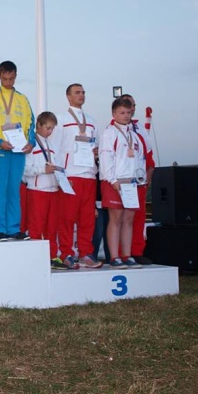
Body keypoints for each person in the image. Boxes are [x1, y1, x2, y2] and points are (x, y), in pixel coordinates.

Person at [51, 83, 103, 269]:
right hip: (70, 174)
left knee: (87, 218)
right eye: (77, 92)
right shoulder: (61, 119)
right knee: (67, 217)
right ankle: (66, 253)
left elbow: (96, 146)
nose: (81, 95)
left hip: (89, 174)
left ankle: (85, 253)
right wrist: (60, 175)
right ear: (68, 96)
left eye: (83, 92)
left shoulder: (92, 121)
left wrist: (96, 152)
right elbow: (55, 147)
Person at [0, 61, 35, 241]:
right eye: (5, 78)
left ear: (15, 76)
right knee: (0, 190)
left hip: (18, 151)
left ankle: (13, 228)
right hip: (1, 150)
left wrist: (31, 142)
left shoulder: (22, 99)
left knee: (14, 190)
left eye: (11, 78)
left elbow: (30, 123)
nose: (8, 82)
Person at [99, 97, 146, 269]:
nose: (126, 116)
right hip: (114, 182)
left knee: (128, 220)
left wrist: (140, 179)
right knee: (116, 219)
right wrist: (112, 180)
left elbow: (140, 160)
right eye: (121, 113)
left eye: (128, 112)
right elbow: (106, 158)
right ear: (113, 114)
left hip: (131, 183)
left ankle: (127, 255)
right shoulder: (109, 133)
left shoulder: (134, 135)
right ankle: (114, 257)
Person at [22, 112, 67, 269]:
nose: (50, 131)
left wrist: (63, 179)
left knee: (52, 227)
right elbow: (25, 169)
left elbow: (58, 165)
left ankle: (53, 256)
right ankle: (36, 259)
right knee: (36, 226)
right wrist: (43, 169)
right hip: (37, 190)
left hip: (53, 190)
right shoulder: (30, 144)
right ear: (39, 125)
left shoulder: (51, 145)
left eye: (52, 128)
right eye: (48, 128)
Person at [121, 94, 156, 265]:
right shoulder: (112, 129)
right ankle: (120, 253)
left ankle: (137, 251)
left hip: (139, 181)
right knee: (122, 218)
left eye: (133, 105)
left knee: (139, 217)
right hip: (122, 181)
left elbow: (148, 155)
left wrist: (148, 176)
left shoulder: (139, 128)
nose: (132, 108)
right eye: (128, 105)